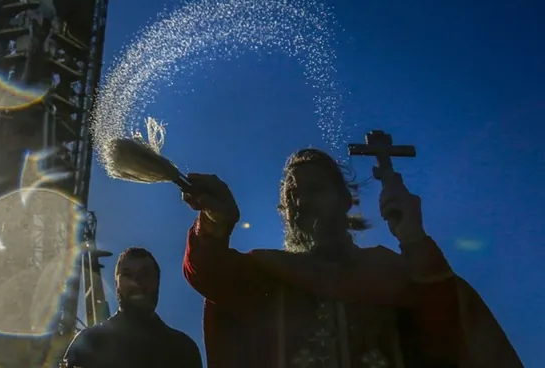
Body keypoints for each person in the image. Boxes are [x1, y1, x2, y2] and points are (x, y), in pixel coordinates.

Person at [182, 148, 522, 368]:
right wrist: (215, 222)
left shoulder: (388, 271)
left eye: (315, 189)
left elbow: (446, 328)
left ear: (345, 200)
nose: (301, 203)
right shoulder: (272, 274)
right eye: (292, 195)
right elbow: (210, 273)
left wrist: (414, 239)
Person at [61, 247, 203, 368]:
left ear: (157, 281)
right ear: (117, 284)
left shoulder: (183, 349)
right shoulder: (88, 343)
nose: (136, 282)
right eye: (127, 275)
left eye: (144, 274)